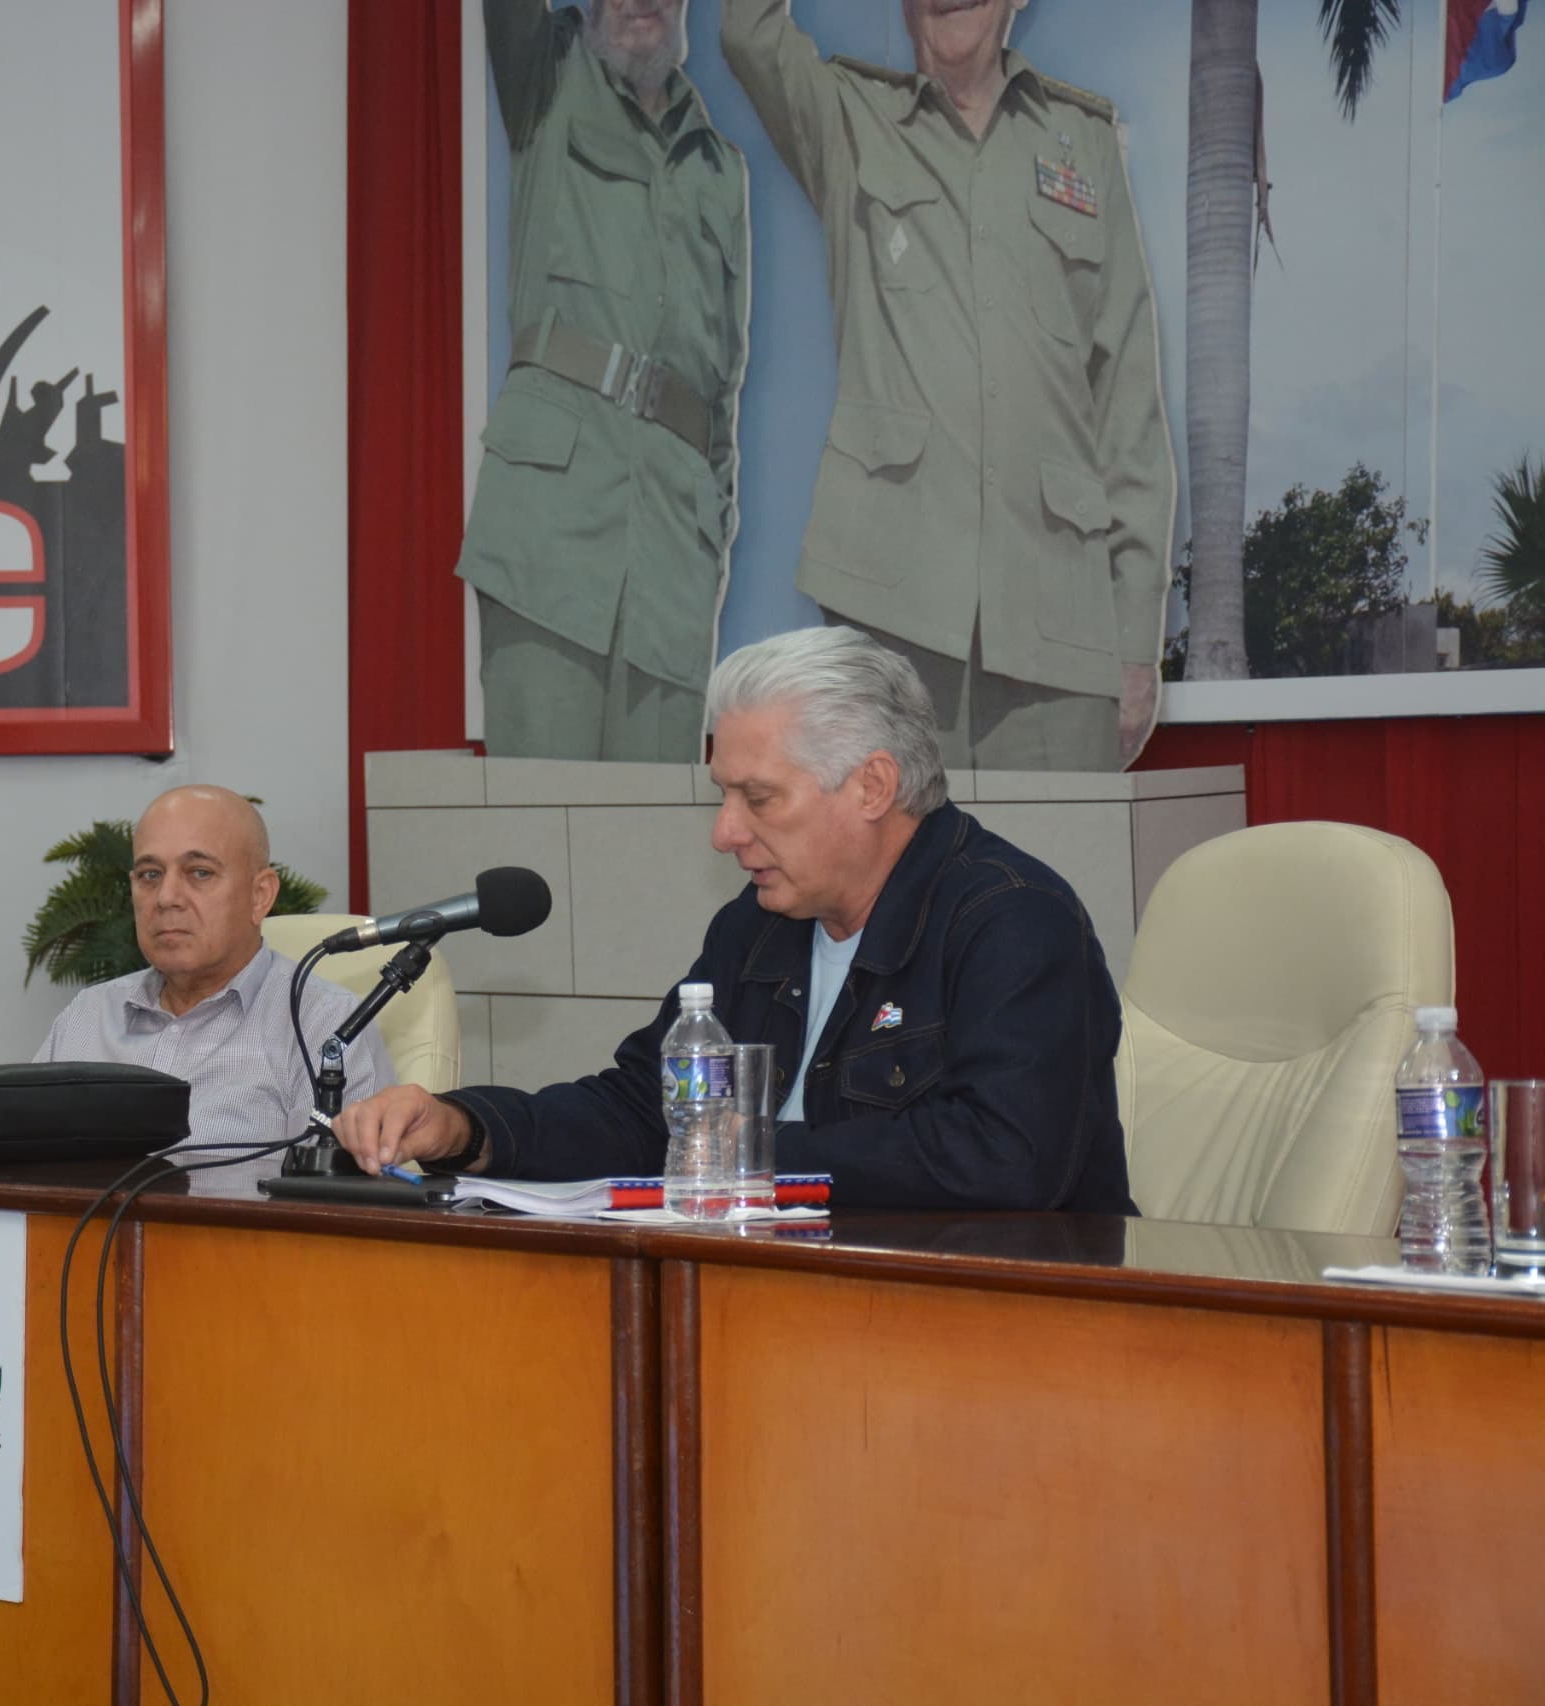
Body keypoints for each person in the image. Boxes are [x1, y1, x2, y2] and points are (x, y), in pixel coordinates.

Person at [333, 627, 1134, 1211]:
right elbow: (644, 1110)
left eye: (758, 798)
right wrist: (466, 1126)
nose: (726, 833)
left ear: (872, 785)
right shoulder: (756, 929)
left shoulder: (1013, 923)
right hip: (771, 1297)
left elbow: (1004, 1161)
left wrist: (737, 1156)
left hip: (979, 1323)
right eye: (723, 796)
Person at [720, 0, 1174, 770]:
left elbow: (1127, 401)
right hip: (893, 613)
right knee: (896, 887)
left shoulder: (1084, 143)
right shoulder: (850, 117)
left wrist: (1134, 644)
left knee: (1050, 884)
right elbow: (748, 32)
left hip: (1057, 627)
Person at [459, 0, 751, 762]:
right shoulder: (548, 81)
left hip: (671, 561)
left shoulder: (720, 168)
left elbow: (724, 380)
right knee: (540, 832)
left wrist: (709, 530)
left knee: (644, 843)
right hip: (550, 537)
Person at [36, 786, 396, 1145]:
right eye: (150, 875)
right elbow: (19, 1168)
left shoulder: (324, 1025)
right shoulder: (87, 1016)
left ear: (260, 896)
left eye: (200, 873)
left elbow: (331, 1196)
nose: (166, 898)